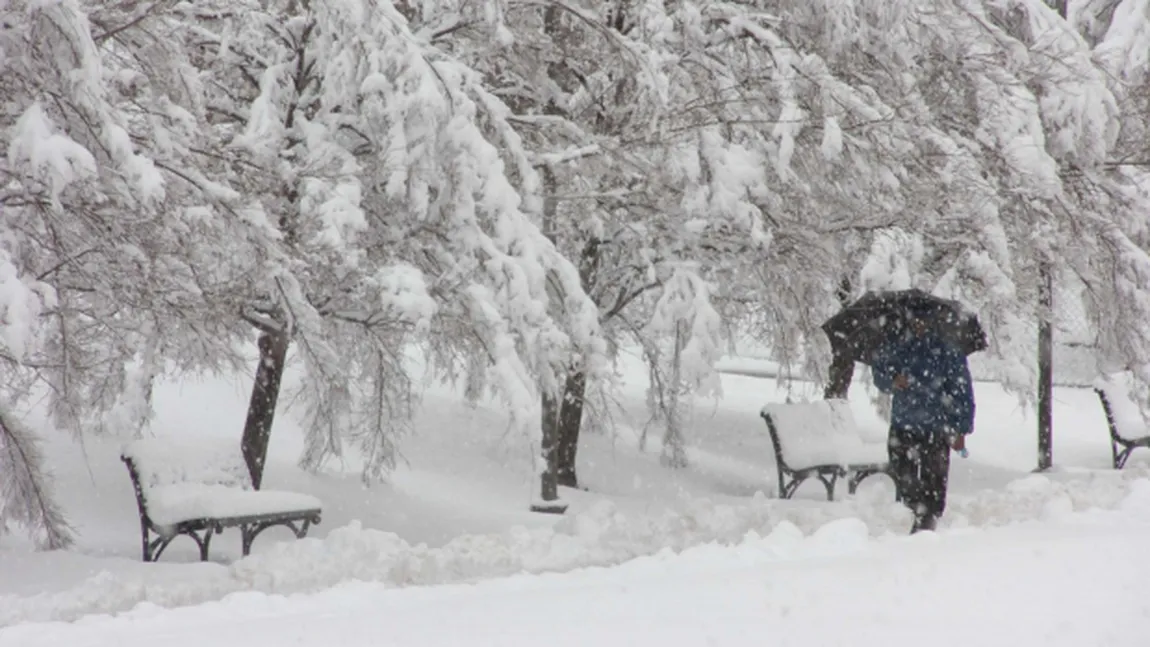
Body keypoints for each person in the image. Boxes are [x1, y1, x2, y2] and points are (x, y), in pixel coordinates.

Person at [871, 312, 975, 533]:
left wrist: (961, 428)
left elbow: (962, 390)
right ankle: (916, 511)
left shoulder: (947, 349)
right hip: (903, 423)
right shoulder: (897, 343)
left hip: (936, 426)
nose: (918, 324)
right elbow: (879, 371)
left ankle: (928, 520)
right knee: (903, 472)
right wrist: (892, 380)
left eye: (923, 320)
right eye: (915, 320)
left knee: (934, 479)